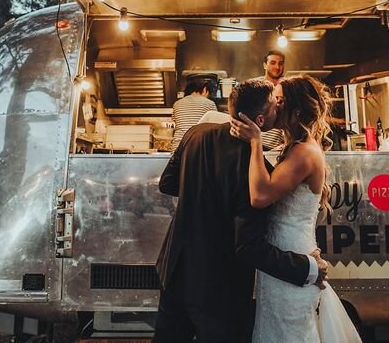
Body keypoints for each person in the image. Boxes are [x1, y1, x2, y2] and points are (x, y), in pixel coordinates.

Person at [153, 79, 328, 343]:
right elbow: (248, 246)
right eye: (274, 104)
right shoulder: (254, 166)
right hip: (219, 284)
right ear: (260, 117)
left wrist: (203, 193)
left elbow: (167, 183)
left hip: (176, 269)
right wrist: (307, 268)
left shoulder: (196, 133)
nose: (277, 110)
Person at [232, 75, 362, 343]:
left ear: (297, 110)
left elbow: (260, 196)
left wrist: (256, 142)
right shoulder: (293, 147)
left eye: (279, 101)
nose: (273, 107)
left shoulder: (303, 153)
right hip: (283, 258)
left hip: (292, 262)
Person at [170, 78, 217, 151]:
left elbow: (176, 124)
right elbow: (216, 128)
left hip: (177, 148)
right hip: (199, 149)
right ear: (204, 90)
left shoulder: (177, 104)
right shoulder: (209, 103)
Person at [256, 50, 286, 151]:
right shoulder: (255, 86)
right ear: (265, 65)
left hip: (276, 148)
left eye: (280, 63)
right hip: (255, 143)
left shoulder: (288, 87)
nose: (277, 67)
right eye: (273, 63)